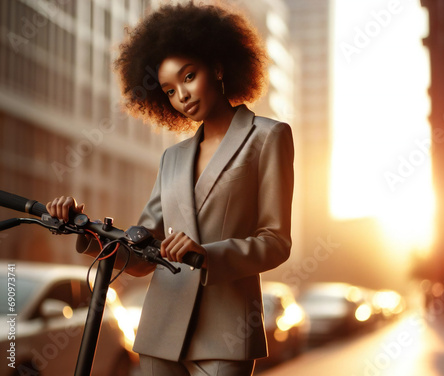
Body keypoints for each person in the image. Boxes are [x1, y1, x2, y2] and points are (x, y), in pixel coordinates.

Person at [46, 2, 294, 376]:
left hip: (226, 334)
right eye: (169, 90)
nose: (182, 95)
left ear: (220, 66)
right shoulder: (172, 158)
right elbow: (144, 253)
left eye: (189, 76)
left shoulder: (269, 137)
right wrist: (85, 230)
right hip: (161, 329)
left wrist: (207, 255)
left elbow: (276, 241)